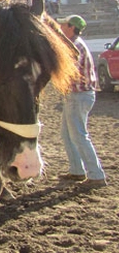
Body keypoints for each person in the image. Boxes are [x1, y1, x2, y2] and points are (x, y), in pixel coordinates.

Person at [56, 15, 107, 188]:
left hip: (78, 95)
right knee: (68, 134)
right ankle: (77, 169)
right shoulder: (76, 43)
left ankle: (96, 174)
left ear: (71, 28)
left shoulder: (74, 46)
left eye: (64, 25)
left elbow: (68, 71)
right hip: (77, 95)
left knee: (78, 135)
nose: (61, 27)